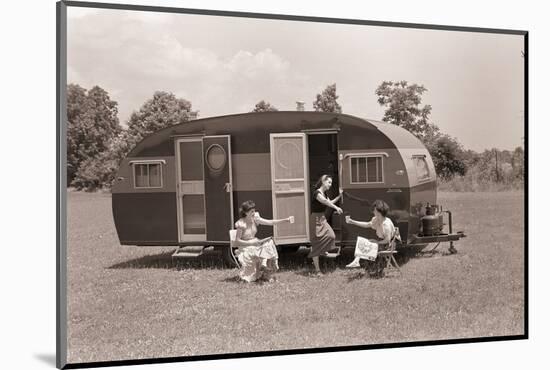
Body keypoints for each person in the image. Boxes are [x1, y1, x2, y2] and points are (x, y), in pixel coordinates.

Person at [234, 200, 292, 282]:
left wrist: (285, 220)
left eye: (254, 211)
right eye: (252, 211)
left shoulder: (255, 219)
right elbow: (237, 241)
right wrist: (251, 243)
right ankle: (265, 270)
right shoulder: (241, 223)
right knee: (265, 248)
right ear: (246, 213)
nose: (254, 213)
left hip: (255, 243)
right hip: (245, 246)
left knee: (270, 243)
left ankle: (265, 268)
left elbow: (270, 222)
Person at [308, 175, 343, 275]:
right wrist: (336, 208)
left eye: (331, 183)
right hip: (315, 219)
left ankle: (323, 250)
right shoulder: (317, 193)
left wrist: (339, 197)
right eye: (329, 182)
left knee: (331, 235)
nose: (330, 185)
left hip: (322, 218)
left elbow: (328, 202)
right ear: (323, 181)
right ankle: (317, 270)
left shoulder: (324, 193)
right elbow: (324, 202)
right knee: (316, 244)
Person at [345, 200, 396, 268]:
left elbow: (387, 240)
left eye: (374, 210)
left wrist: (377, 242)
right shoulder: (377, 219)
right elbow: (367, 224)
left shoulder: (386, 224)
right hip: (381, 242)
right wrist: (352, 222)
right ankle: (357, 260)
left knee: (368, 244)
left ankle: (359, 261)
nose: (373, 211)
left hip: (388, 246)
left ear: (379, 212)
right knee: (362, 241)